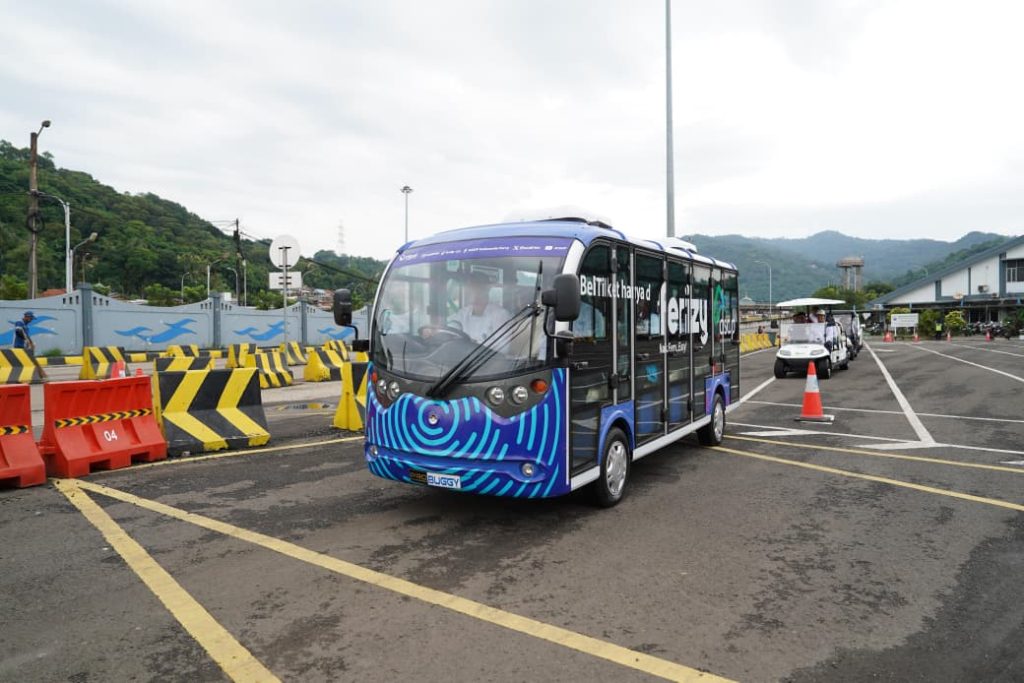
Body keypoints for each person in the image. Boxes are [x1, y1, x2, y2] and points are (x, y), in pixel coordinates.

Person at [448, 271, 511, 342]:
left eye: (473, 286)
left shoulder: (501, 315)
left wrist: (473, 345)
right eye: (467, 286)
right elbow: (450, 329)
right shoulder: (463, 313)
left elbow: (503, 347)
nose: (467, 289)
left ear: (485, 289)